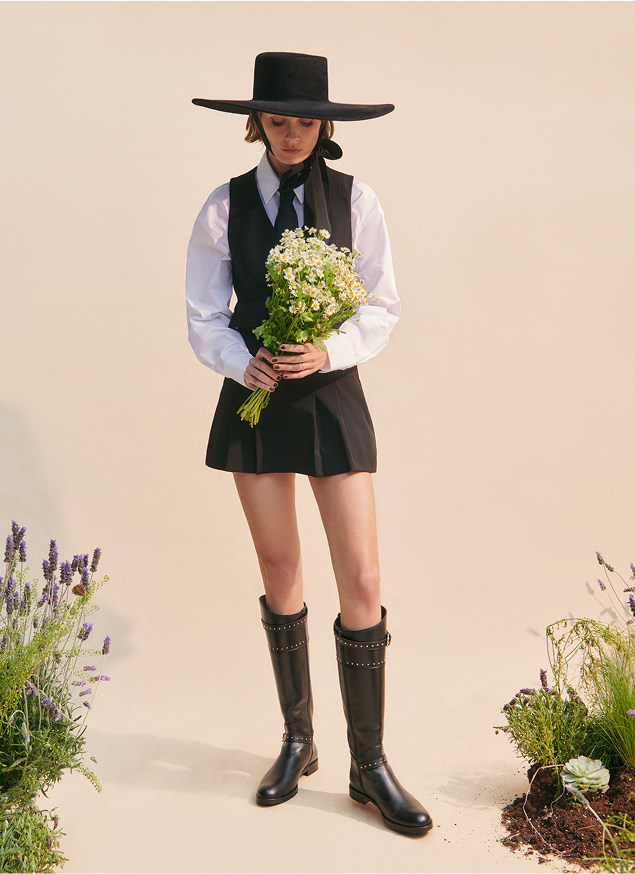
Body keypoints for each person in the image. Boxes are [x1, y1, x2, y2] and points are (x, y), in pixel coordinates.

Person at [186, 52, 432, 837]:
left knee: (361, 575)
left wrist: (329, 350)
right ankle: (298, 741)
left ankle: (370, 764)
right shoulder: (223, 206)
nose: (291, 135)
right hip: (253, 397)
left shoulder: (357, 199)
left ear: (325, 127)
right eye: (277, 121)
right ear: (255, 123)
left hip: (330, 393)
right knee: (279, 569)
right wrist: (242, 363)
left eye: (304, 123)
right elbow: (203, 315)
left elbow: (381, 305)